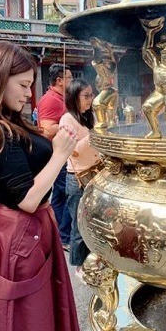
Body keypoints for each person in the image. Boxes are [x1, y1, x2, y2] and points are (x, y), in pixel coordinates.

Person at [0, 41, 83, 331]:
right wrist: (61, 154)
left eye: (30, 85)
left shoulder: (11, 121)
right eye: (23, 85)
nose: (29, 94)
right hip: (20, 232)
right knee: (27, 323)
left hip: (32, 229)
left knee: (39, 316)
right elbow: (26, 198)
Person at [60, 78, 101, 282]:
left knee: (93, 222)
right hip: (77, 178)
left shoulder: (90, 116)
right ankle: (78, 265)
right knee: (79, 223)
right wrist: (94, 134)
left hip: (95, 174)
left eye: (91, 95)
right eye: (86, 96)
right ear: (74, 97)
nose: (90, 99)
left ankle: (93, 259)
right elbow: (73, 151)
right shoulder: (67, 120)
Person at [37, 62, 73, 250]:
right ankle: (65, 236)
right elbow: (46, 129)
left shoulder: (61, 98)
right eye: (69, 78)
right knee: (69, 194)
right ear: (59, 80)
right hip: (57, 155)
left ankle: (60, 234)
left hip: (61, 154)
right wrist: (71, 124)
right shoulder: (51, 100)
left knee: (59, 196)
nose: (72, 81)